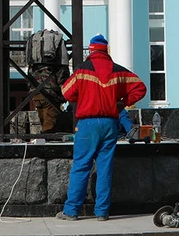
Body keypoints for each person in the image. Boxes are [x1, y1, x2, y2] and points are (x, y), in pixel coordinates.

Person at [57, 34, 146, 221]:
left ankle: (71, 211)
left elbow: (66, 92)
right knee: (105, 167)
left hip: (87, 123)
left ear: (90, 50)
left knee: (81, 166)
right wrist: (122, 103)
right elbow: (140, 87)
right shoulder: (118, 71)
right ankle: (102, 212)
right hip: (109, 123)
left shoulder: (82, 70)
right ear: (106, 50)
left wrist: (82, 98)